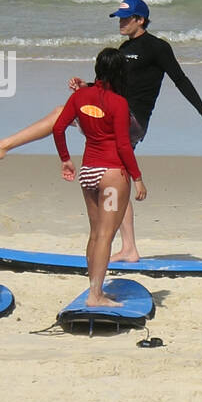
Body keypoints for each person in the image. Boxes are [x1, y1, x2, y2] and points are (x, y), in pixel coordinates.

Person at [0, 0, 202, 261]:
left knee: (62, 114)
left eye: (126, 18)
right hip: (114, 116)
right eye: (119, 17)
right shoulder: (122, 50)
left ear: (141, 20)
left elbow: (180, 79)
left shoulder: (157, 48)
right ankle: (129, 248)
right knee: (119, 173)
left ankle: (4, 146)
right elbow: (111, 88)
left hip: (132, 120)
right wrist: (88, 87)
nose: (121, 22)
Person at [52, 47, 146, 307]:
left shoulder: (80, 96)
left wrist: (65, 159)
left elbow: (58, 128)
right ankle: (96, 295)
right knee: (106, 236)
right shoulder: (119, 103)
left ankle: (95, 290)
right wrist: (137, 177)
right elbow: (124, 145)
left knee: (95, 235)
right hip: (112, 175)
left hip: (88, 171)